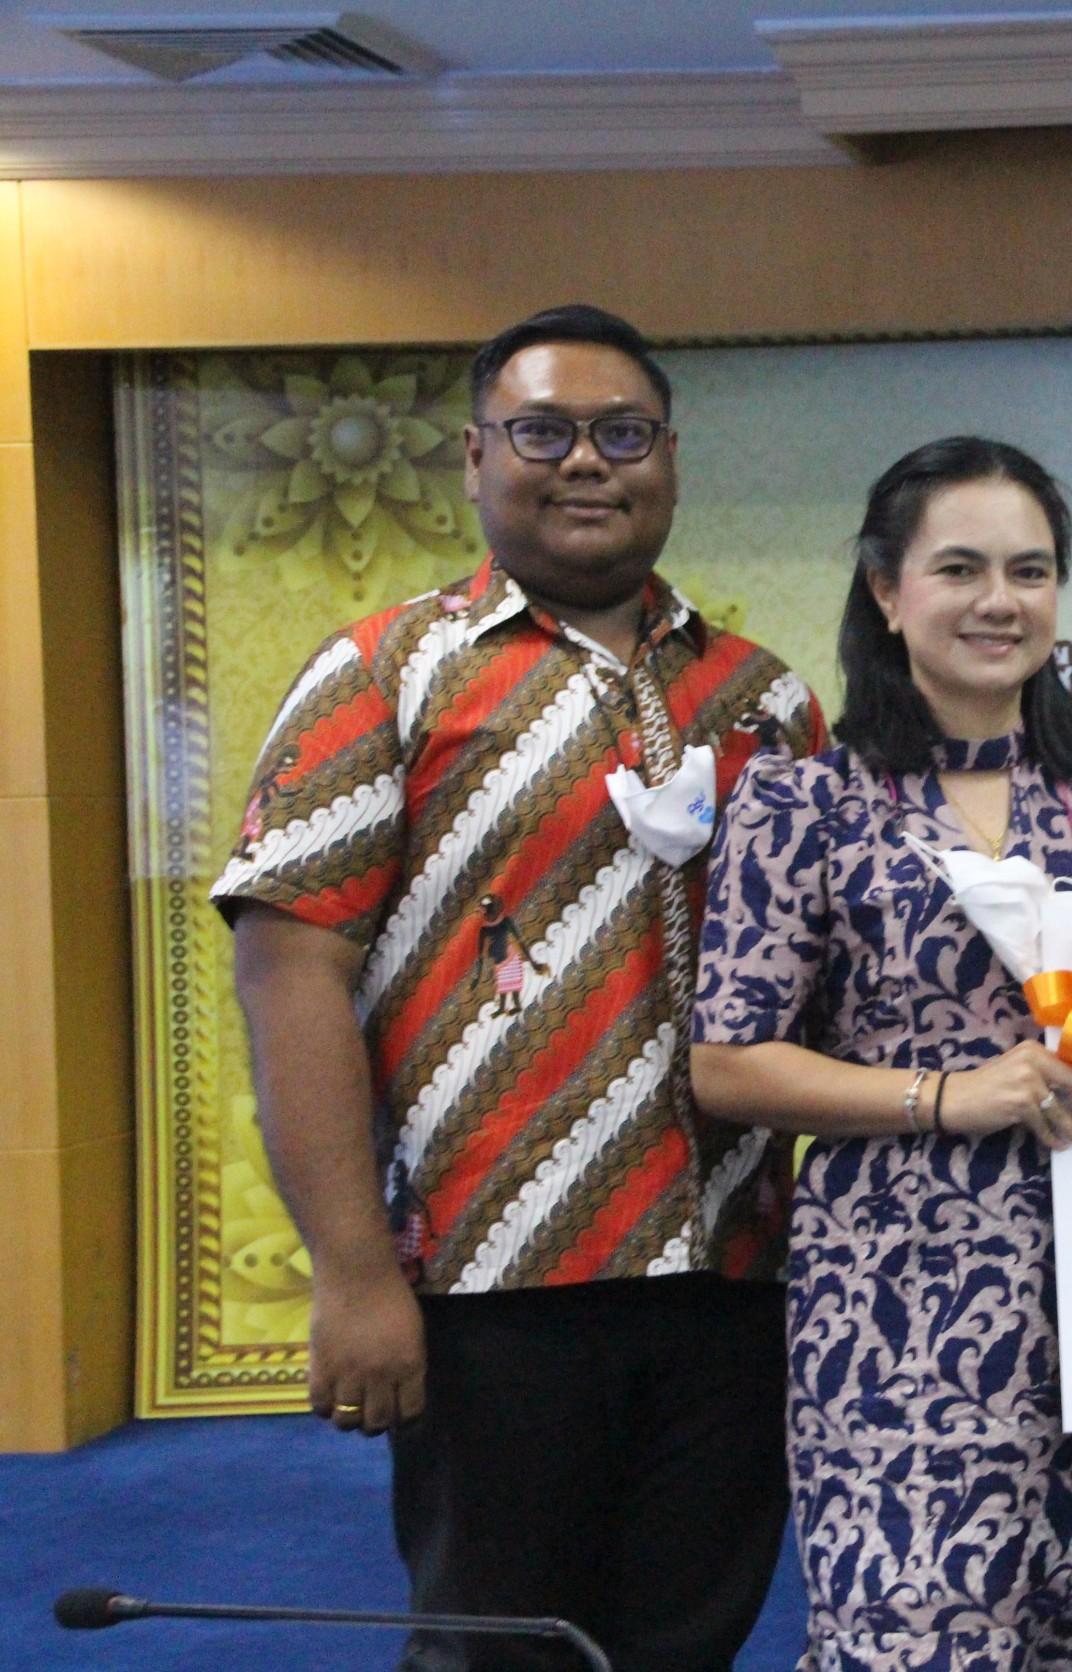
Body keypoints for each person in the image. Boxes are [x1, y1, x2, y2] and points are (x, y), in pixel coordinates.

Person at [218, 303, 826, 1671]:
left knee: (687, 1640)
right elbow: (289, 972)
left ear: (669, 458)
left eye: (623, 433)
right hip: (491, 1287)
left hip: (732, 1278)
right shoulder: (382, 674)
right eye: (543, 432)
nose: (587, 462)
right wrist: (352, 1277)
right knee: (499, 1650)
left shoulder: (766, 702)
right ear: (476, 456)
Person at [689, 436, 1072, 1671]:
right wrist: (946, 1095)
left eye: (1030, 570)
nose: (1000, 600)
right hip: (892, 1302)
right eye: (960, 568)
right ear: (886, 592)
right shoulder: (801, 803)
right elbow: (729, 1065)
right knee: (915, 1625)